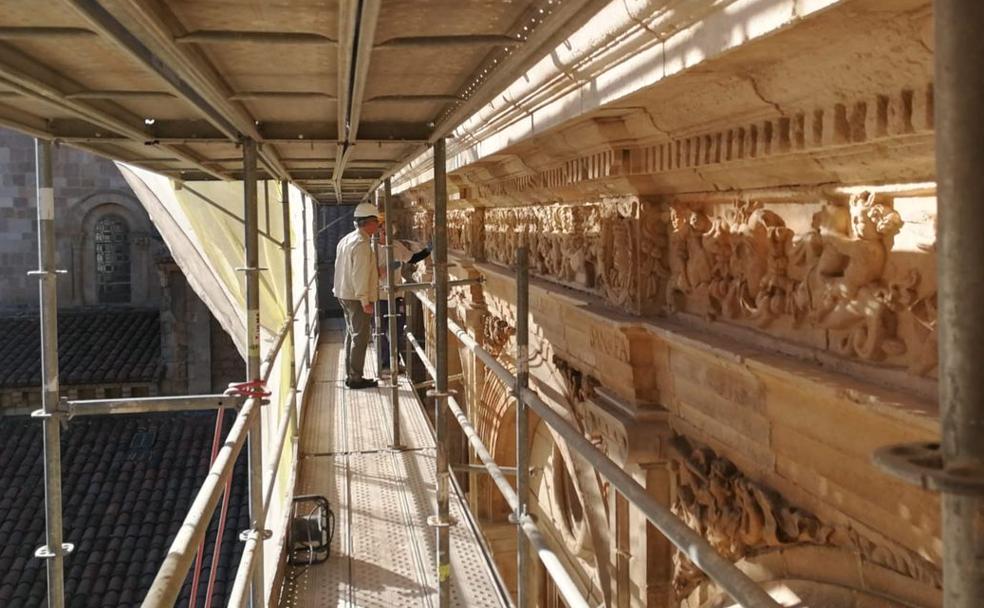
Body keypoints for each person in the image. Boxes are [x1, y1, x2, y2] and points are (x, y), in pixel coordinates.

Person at [333, 202, 382, 389]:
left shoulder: (347, 239)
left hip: (344, 293)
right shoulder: (361, 244)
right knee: (360, 337)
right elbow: (359, 274)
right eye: (376, 222)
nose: (378, 226)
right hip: (355, 296)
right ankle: (355, 378)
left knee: (352, 334)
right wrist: (364, 300)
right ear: (369, 223)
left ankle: (351, 374)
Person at [375, 221, 431, 377]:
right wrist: (388, 268)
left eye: (389, 234)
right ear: (378, 231)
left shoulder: (396, 245)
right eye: (384, 233)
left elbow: (411, 259)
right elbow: (372, 272)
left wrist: (428, 251)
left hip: (397, 294)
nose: (386, 236)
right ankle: (385, 364)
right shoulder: (371, 248)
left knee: (397, 330)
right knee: (382, 331)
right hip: (380, 295)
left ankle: (394, 361)